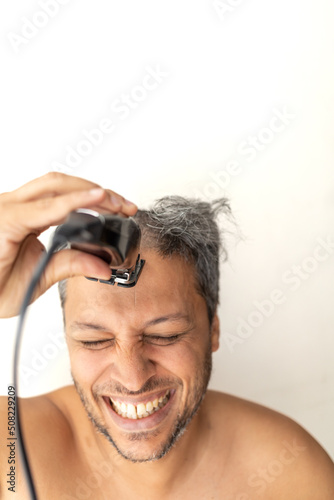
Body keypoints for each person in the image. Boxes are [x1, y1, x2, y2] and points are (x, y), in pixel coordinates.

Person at [0, 172, 333, 500]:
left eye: (165, 335)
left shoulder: (290, 471)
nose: (133, 378)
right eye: (95, 340)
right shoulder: (9, 446)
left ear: (213, 328)